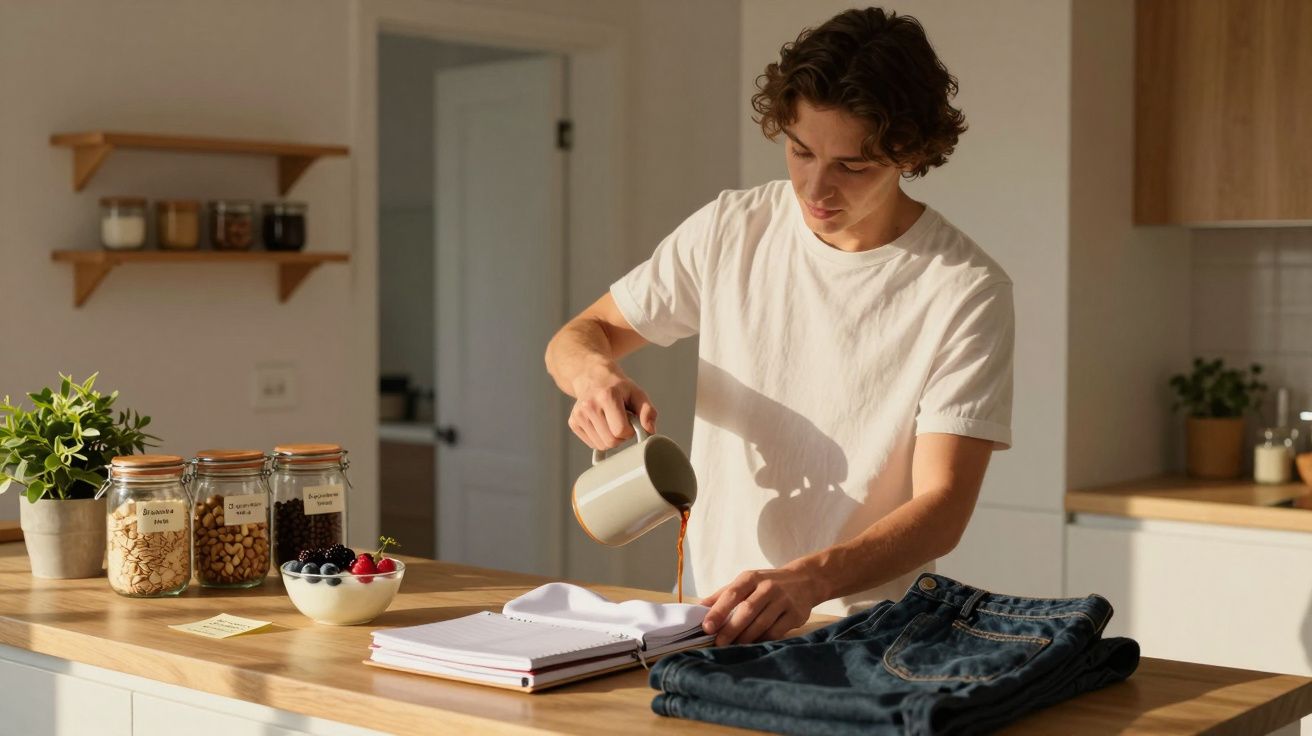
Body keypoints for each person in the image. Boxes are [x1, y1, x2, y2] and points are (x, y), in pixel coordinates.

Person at [544, 6, 1013, 647]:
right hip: (709, 620)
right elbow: (582, 332)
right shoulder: (731, 228)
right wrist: (593, 376)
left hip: (865, 635)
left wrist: (808, 580)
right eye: (800, 151)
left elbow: (943, 508)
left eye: (853, 165)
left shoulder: (963, 288)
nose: (815, 187)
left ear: (910, 152)